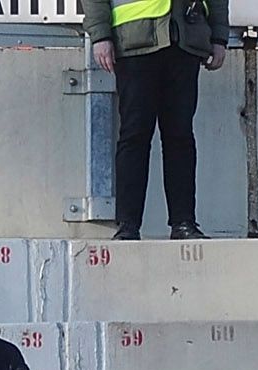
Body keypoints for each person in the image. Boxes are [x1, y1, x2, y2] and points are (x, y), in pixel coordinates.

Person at [86, 0, 225, 241]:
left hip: (184, 40)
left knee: (180, 137)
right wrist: (100, 35)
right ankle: (128, 226)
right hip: (134, 40)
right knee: (134, 136)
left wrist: (219, 37)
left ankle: (184, 224)